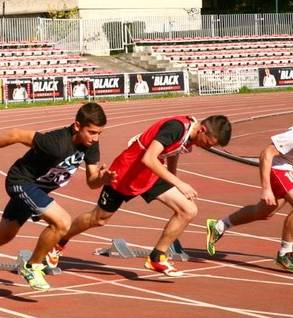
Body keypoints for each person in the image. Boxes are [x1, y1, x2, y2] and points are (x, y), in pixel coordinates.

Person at [0, 103, 111, 292]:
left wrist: (103, 179)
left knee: (4, 234)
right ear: (77, 126)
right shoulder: (55, 143)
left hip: (37, 190)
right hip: (20, 182)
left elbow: (92, 181)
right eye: (92, 132)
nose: (95, 138)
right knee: (62, 222)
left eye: (99, 133)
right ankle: (33, 265)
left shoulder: (90, 145)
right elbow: (16, 134)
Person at [49, 114, 232, 277]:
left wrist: (172, 176)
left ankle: (157, 257)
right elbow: (148, 158)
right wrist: (179, 183)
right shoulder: (176, 128)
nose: (207, 147)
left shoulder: (190, 135)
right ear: (202, 130)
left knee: (188, 210)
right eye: (208, 143)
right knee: (98, 219)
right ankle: (59, 242)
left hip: (150, 175)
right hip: (127, 172)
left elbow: (173, 150)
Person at [206, 126, 293, 273]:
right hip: (280, 168)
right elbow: (266, 154)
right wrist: (266, 188)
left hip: (290, 170)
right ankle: (286, 253)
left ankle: (219, 226)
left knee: (264, 212)